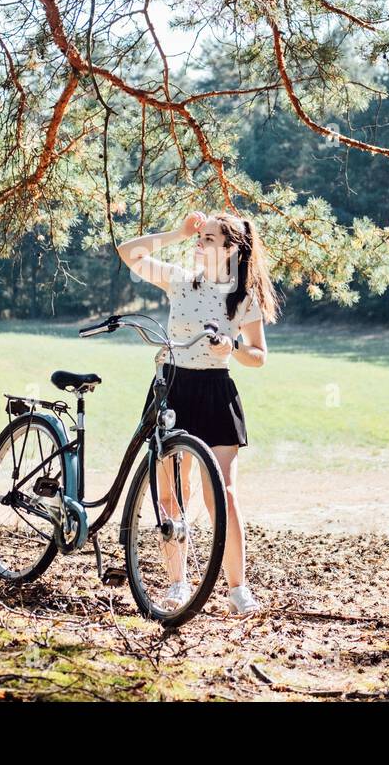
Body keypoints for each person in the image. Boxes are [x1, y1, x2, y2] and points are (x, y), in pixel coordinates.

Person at [116, 211, 280, 616]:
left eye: (208, 238)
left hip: (216, 391)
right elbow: (128, 252)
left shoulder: (244, 296)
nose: (199, 243)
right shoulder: (180, 279)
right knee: (172, 492)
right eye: (200, 237)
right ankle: (177, 584)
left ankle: (238, 589)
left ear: (230, 249)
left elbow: (259, 356)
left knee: (222, 493)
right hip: (173, 387)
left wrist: (235, 348)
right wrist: (178, 230)